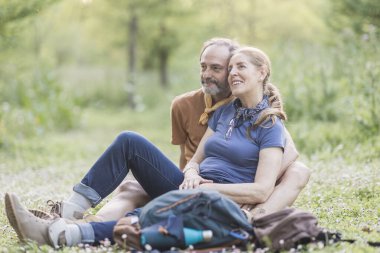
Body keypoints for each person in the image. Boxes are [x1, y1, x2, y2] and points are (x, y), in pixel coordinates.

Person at [6, 46, 303, 247]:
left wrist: (206, 190)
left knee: (144, 219)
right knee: (129, 141)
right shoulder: (225, 112)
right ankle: (70, 211)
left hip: (216, 200)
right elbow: (195, 160)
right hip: (190, 187)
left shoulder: (270, 127)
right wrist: (190, 174)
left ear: (262, 72)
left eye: (241, 67)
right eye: (231, 68)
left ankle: (61, 235)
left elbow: (262, 190)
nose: (233, 73)